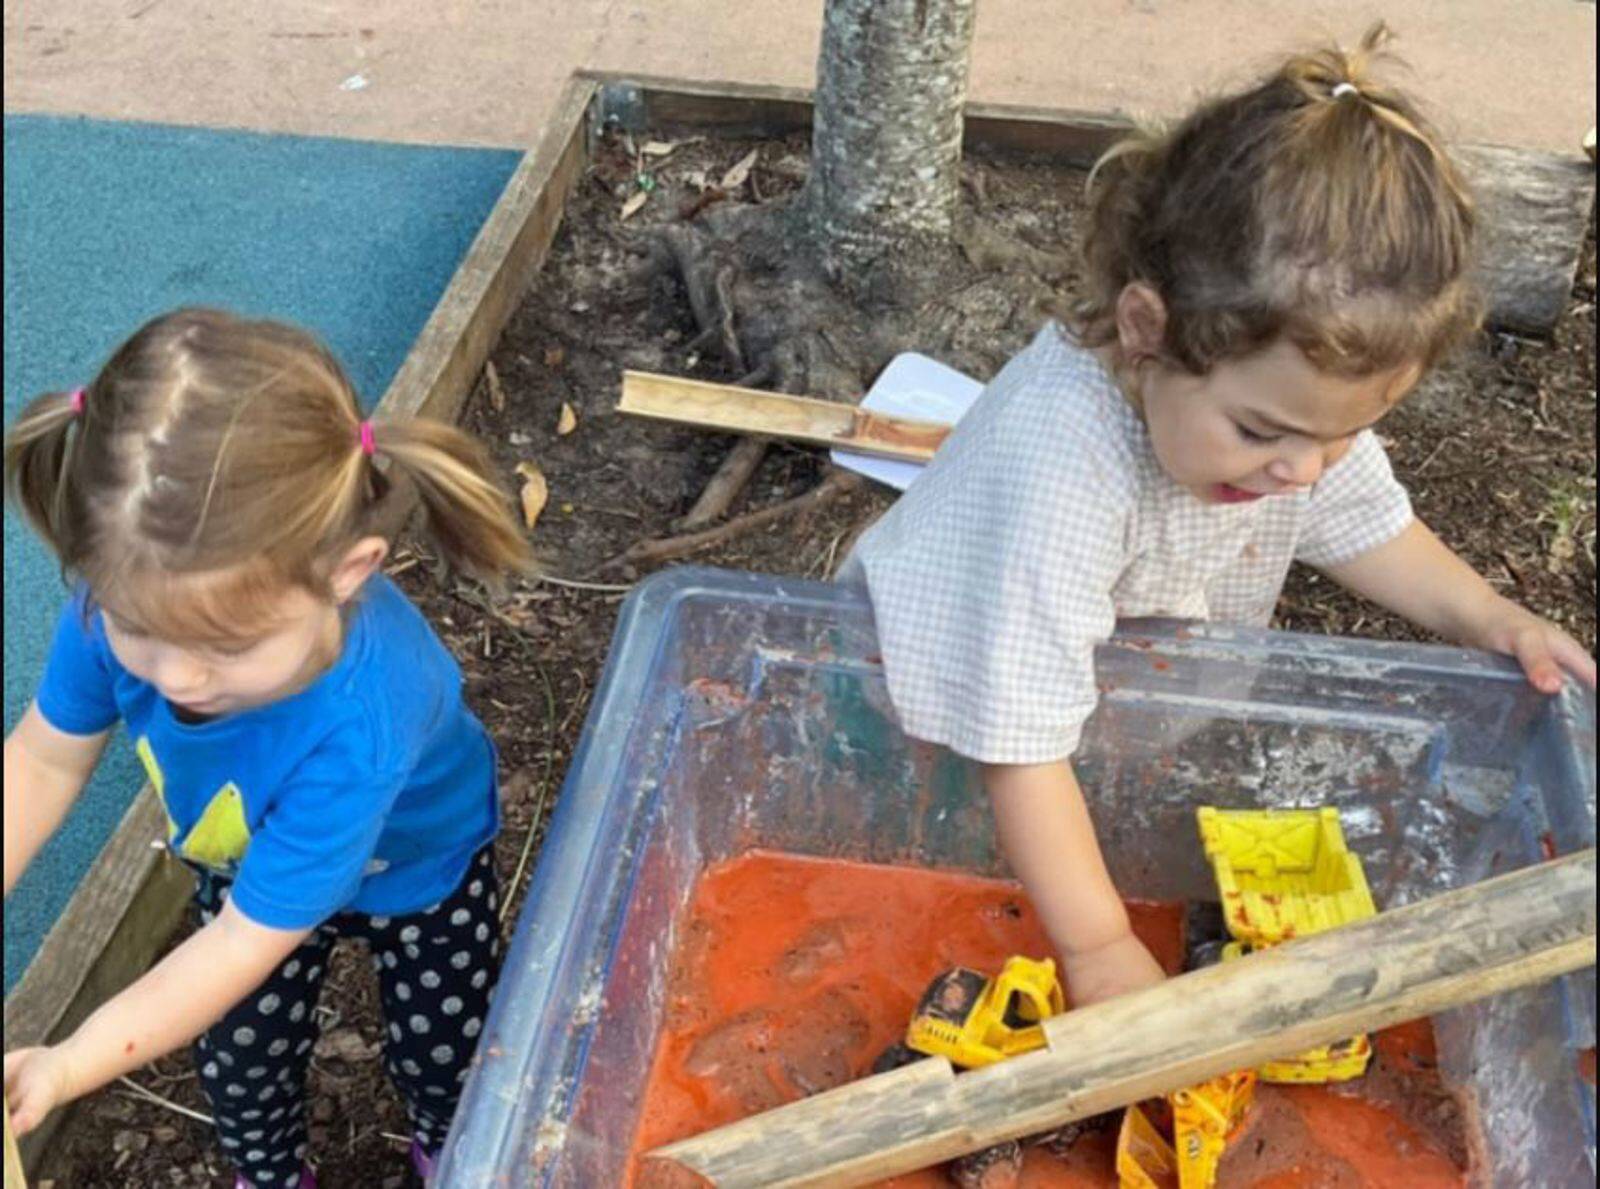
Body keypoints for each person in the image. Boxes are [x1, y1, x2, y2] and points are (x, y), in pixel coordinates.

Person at [838, 25, 1596, 1010]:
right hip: (923, 721)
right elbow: (1014, 749)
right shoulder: (1059, 473)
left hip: (1088, 699)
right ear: (1146, 329)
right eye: (1263, 432)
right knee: (935, 866)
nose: (1302, 469)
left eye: (1340, 435)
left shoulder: (1276, 417)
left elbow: (1365, 521)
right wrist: (1102, 946)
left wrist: (1491, 618)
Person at [3, 308, 533, 1188]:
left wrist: (71, 1060)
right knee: (241, 1062)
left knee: (447, 1042)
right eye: (140, 629)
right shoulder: (120, 604)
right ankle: (270, 1171)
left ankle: (454, 1145)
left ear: (346, 573)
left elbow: (245, 942)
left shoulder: (363, 724)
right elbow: (41, 759)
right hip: (249, 853)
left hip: (419, 861)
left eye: (225, 645)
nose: (177, 678)